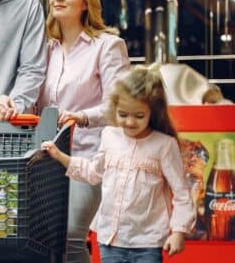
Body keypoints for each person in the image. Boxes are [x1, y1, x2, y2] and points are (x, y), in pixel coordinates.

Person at [0, 0, 130, 263]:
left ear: (85, 2)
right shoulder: (42, 51)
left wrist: (79, 117)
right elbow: (29, 101)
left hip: (88, 157)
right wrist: (10, 102)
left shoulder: (107, 46)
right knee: (39, 240)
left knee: (69, 236)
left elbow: (119, 107)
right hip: (43, 160)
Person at [41, 64, 196, 263]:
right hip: (110, 240)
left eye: (139, 116)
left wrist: (179, 231)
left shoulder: (164, 145)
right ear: (115, 108)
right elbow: (93, 172)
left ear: (153, 111)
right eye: (123, 114)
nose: (130, 122)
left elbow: (182, 193)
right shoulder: (109, 136)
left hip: (147, 243)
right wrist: (60, 156)